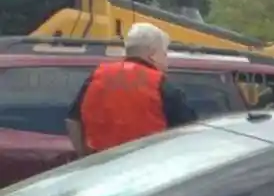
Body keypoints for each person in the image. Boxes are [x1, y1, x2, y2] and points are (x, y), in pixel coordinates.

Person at [65, 23, 196, 157]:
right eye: (164, 54)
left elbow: (72, 120)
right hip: (146, 166)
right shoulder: (160, 83)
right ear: (152, 54)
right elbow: (188, 130)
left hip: (101, 167)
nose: (167, 63)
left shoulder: (98, 76)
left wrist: (84, 157)